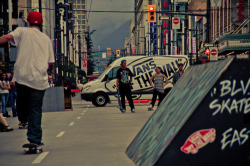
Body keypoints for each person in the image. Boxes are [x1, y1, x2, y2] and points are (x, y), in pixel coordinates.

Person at [0, 12, 55, 146]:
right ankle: (35, 140)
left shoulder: (21, 31)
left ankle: (23, 118)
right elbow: (51, 63)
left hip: (22, 77)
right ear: (41, 24)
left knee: (22, 103)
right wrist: (46, 70)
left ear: (28, 22)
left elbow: (7, 37)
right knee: (35, 109)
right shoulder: (46, 39)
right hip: (39, 81)